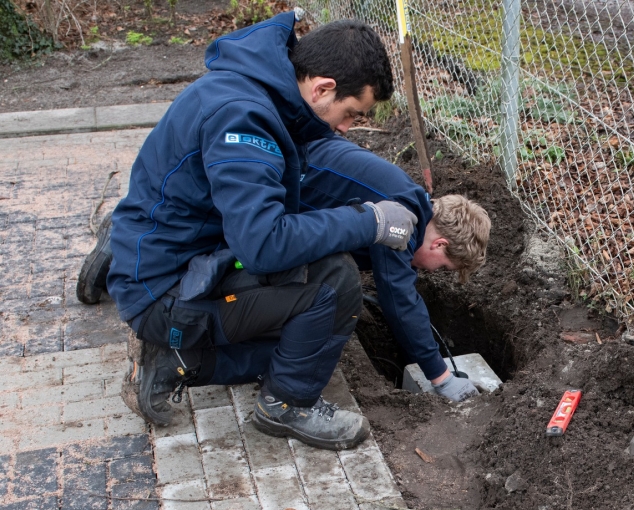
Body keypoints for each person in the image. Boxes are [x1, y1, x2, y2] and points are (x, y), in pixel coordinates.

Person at [93, 13, 419, 451]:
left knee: (310, 324)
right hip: (164, 295)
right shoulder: (244, 120)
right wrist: (369, 220)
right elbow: (263, 244)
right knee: (335, 286)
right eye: (351, 114)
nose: (346, 129)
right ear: (322, 88)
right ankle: (284, 404)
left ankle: (177, 358)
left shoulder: (257, 92)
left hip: (172, 258)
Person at [300, 136, 491, 400]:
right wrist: (442, 378)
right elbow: (399, 300)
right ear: (439, 244)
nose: (435, 272)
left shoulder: (411, 201)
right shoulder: (401, 223)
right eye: (445, 267)